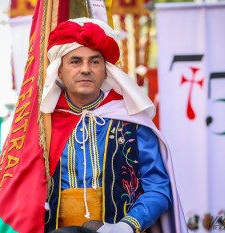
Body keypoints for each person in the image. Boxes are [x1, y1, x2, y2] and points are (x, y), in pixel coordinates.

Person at [40, 17, 188, 233]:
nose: (85, 69)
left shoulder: (131, 121)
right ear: (59, 71)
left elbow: (158, 188)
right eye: (75, 61)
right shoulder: (44, 124)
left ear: (106, 69)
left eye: (94, 61)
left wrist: (128, 226)